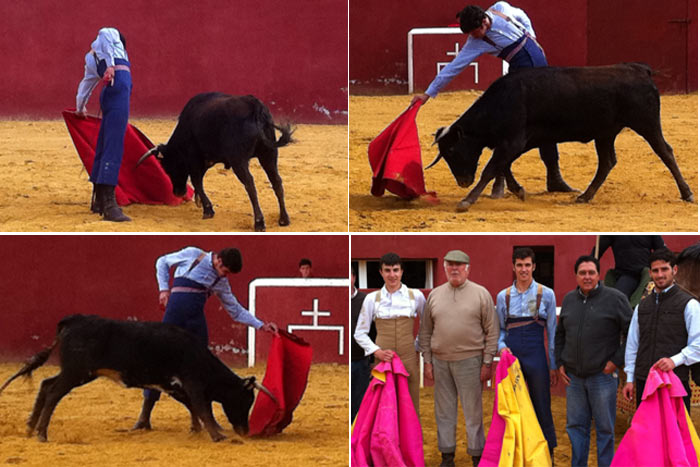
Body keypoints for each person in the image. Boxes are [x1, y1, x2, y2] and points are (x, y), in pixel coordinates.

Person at [410, 2, 571, 194]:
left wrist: (531, 36)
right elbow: (454, 67)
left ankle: (553, 177)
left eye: (474, 32)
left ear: (484, 22)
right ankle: (501, 179)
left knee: (545, 123)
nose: (473, 37)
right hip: (521, 76)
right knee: (512, 128)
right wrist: (429, 93)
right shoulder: (476, 42)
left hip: (540, 69)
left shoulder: (501, 8)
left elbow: (522, 15)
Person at [133, 245, 279, 430]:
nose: (224, 275)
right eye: (224, 270)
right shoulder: (194, 255)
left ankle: (201, 420)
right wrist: (163, 289)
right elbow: (162, 262)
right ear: (218, 260)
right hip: (174, 320)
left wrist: (261, 325)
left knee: (201, 372)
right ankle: (144, 417)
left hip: (195, 325)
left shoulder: (221, 282)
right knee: (157, 364)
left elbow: (235, 310)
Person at [418, 250, 498, 467]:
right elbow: (425, 331)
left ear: (468, 268)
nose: (455, 269)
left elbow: (492, 330)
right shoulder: (434, 295)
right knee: (444, 411)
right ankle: (447, 456)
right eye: (450, 265)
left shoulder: (481, 294)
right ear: (444, 268)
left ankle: (476, 455)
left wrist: (487, 361)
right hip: (440, 361)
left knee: (473, 411)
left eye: (459, 265)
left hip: (470, 361)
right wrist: (427, 360)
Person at [555, 255, 632, 467]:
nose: (587, 277)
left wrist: (616, 361)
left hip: (603, 376)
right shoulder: (569, 299)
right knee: (576, 427)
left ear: (599, 275)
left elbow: (633, 334)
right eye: (582, 273)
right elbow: (560, 334)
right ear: (576, 276)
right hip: (574, 379)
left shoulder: (615, 299)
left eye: (591, 273)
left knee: (605, 429)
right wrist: (560, 362)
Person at [495, 247, 558, 457]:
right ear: (513, 267)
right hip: (512, 357)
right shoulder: (502, 296)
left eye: (527, 265)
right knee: (513, 406)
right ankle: (516, 453)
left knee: (542, 404)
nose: (524, 269)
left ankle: (547, 453)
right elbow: (500, 330)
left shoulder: (546, 294)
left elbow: (552, 333)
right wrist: (502, 348)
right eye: (520, 265)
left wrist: (553, 366)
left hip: (537, 356)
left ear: (534, 267)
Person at [622, 247, 700, 412]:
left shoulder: (690, 304)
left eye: (664, 269)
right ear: (650, 273)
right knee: (649, 436)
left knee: (675, 434)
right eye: (655, 270)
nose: (660, 275)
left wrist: (675, 360)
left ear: (675, 270)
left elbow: (698, 345)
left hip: (674, 382)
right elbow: (633, 345)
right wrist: (630, 379)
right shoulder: (641, 307)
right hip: (645, 382)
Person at [354, 252, 426, 416]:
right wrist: (376, 351)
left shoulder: (416, 296)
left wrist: (417, 346)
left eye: (395, 270)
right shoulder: (372, 299)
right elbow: (360, 333)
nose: (392, 275)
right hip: (383, 359)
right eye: (387, 270)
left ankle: (409, 442)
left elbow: (427, 325)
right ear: (381, 272)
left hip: (408, 357)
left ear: (401, 271)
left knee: (411, 405)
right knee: (384, 406)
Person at [75, 27, 133, 222]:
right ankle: (109, 204)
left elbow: (86, 85)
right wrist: (110, 64)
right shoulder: (110, 36)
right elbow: (106, 35)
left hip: (109, 93)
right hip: (119, 91)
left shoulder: (90, 59)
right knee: (113, 146)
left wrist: (80, 107)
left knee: (103, 145)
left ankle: (98, 199)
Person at [593, 235, 665, 299]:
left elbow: (662, 252)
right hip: (626, 274)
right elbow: (596, 252)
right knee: (617, 298)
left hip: (647, 274)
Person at [350, 266, 374, 423]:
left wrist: (372, 359)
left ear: (354, 278)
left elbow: (374, 330)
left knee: (360, 402)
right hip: (344, 363)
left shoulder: (366, 300)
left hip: (361, 359)